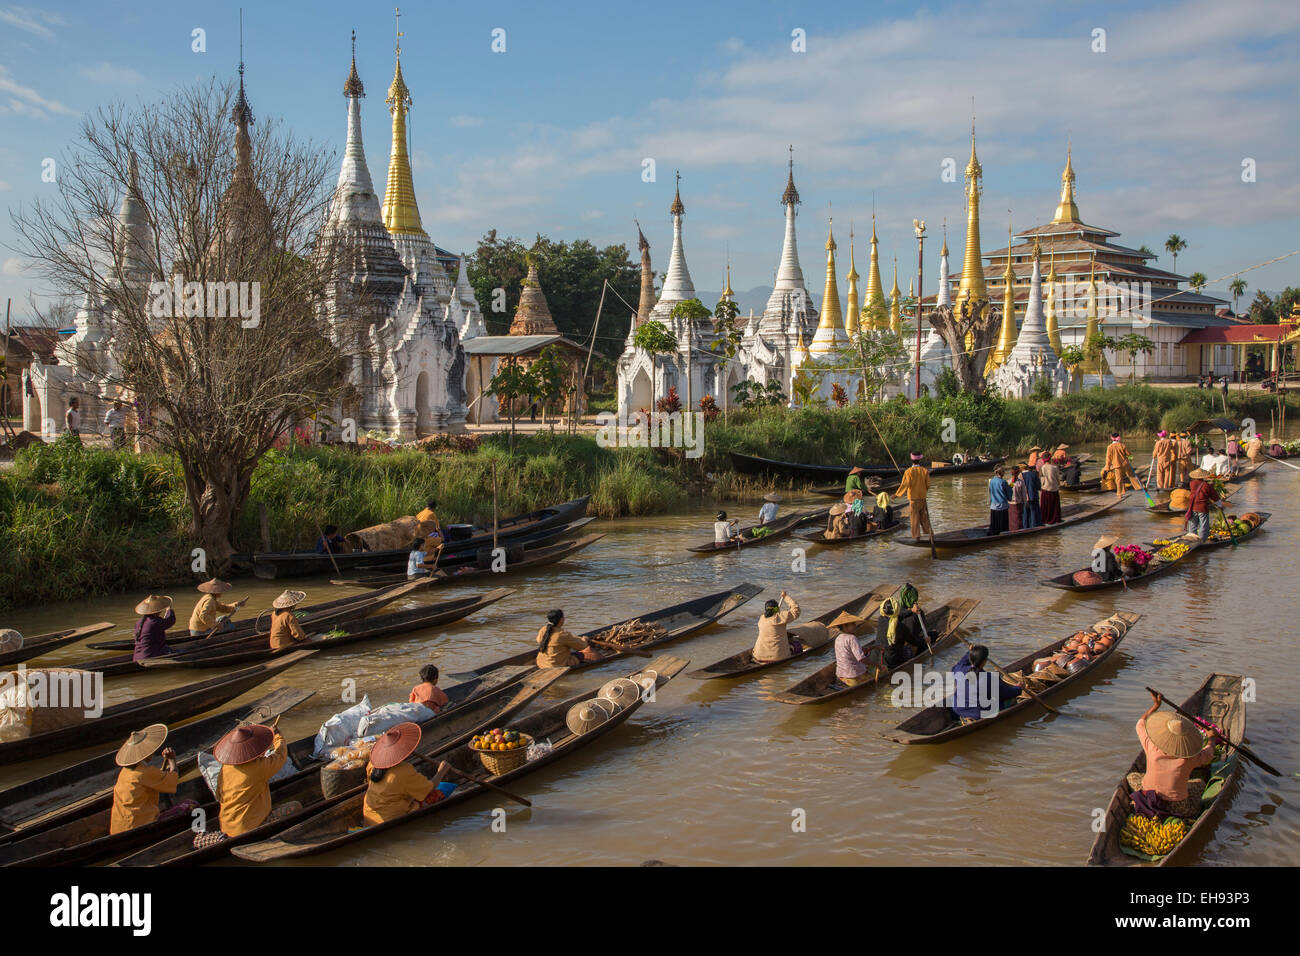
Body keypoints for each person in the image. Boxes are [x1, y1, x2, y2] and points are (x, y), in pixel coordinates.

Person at [194, 721, 298, 847]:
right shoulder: (258, 767)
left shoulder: (226, 767)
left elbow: (219, 795)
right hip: (252, 828)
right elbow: (280, 756)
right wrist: (277, 737)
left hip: (227, 828)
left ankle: (220, 838)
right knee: (295, 806)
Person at [1127, 690, 1215, 818]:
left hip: (1148, 796)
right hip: (1177, 806)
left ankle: (1142, 806)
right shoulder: (1189, 757)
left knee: (1132, 777)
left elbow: (1140, 723)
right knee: (1200, 783)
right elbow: (1209, 754)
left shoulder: (1151, 746)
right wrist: (1212, 738)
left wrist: (1156, 706)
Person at [362, 723, 456, 826]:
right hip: (390, 818)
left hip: (368, 814)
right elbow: (429, 789)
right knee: (435, 794)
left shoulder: (373, 763)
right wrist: (441, 771)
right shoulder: (404, 771)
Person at [109, 724, 179, 835]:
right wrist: (172, 760)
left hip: (118, 829)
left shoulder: (125, 772)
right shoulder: (144, 772)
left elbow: (157, 777)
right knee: (190, 805)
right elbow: (173, 781)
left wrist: (166, 761)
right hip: (139, 827)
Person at [950, 645, 1021, 721]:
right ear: (984, 661)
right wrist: (1019, 688)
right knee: (1011, 700)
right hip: (977, 715)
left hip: (956, 712)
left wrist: (969, 652)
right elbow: (1006, 693)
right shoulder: (988, 678)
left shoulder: (958, 670)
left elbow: (960, 663)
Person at [831, 611, 884, 687]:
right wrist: (878, 665)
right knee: (883, 670)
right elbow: (861, 659)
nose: (855, 626)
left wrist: (873, 647)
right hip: (854, 677)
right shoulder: (852, 638)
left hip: (840, 676)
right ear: (845, 626)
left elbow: (857, 651)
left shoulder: (838, 638)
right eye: (852, 624)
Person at [877, 593, 928, 669]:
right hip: (893, 661)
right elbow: (913, 641)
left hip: (879, 657)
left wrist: (911, 611)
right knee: (911, 649)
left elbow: (897, 616)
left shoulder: (881, 619)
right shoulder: (900, 627)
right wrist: (925, 640)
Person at [752, 591, 800, 663]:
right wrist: (786, 597)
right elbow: (796, 610)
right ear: (777, 609)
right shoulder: (780, 617)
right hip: (778, 657)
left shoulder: (761, 619)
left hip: (758, 656)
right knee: (797, 645)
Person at [894, 452, 932, 540]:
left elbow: (904, 485)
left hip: (913, 499)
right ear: (920, 460)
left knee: (914, 517)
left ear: (911, 460)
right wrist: (923, 491)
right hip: (922, 497)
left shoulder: (908, 472)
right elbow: (928, 485)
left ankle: (917, 536)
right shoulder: (924, 471)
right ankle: (928, 533)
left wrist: (896, 495)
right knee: (924, 516)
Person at [132, 595, 175, 662]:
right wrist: (169, 610)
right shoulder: (155, 622)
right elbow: (170, 621)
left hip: (136, 657)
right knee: (182, 651)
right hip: (150, 656)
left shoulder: (139, 622)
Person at [1182, 468, 1221, 542]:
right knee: (1203, 525)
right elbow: (1215, 496)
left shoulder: (1191, 483)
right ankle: (1202, 540)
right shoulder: (1207, 485)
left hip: (1192, 507)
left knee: (1193, 524)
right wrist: (1219, 505)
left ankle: (1192, 539)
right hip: (1202, 508)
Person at [1103, 433, 1138, 499]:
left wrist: (1107, 468)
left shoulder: (1109, 447)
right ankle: (1140, 487)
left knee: (1119, 479)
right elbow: (1129, 454)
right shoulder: (1122, 445)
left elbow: (1108, 458)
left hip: (1117, 465)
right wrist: (1130, 459)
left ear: (1112, 438)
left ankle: (1119, 494)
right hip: (1125, 464)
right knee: (1131, 476)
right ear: (1119, 438)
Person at [986, 466, 1012, 535]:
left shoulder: (991, 481)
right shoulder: (1003, 482)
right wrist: (1011, 487)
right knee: (1003, 523)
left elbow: (990, 492)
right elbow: (1008, 493)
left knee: (994, 522)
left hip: (994, 505)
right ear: (1002, 473)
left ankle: (994, 532)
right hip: (1002, 505)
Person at [1038, 456, 1062, 525]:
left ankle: (1045, 519)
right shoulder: (1055, 467)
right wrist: (1058, 484)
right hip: (1054, 488)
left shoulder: (1042, 467)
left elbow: (1041, 478)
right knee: (1054, 506)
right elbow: (1058, 478)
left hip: (1045, 488)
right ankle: (1055, 519)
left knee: (1046, 506)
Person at [1020, 460, 1041, 528]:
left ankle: (1025, 527)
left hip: (1024, 498)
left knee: (1025, 513)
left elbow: (1013, 486)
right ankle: (1034, 527)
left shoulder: (1019, 476)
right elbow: (1038, 486)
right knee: (1034, 513)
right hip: (1033, 496)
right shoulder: (1033, 474)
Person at [1008, 466, 1025, 533]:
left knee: (1012, 518)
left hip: (1011, 503)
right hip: (1018, 503)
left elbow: (1009, 491)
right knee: (1018, 518)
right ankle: (1018, 530)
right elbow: (1023, 494)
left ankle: (1012, 530)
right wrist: (1025, 502)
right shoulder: (1020, 482)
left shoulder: (1009, 482)